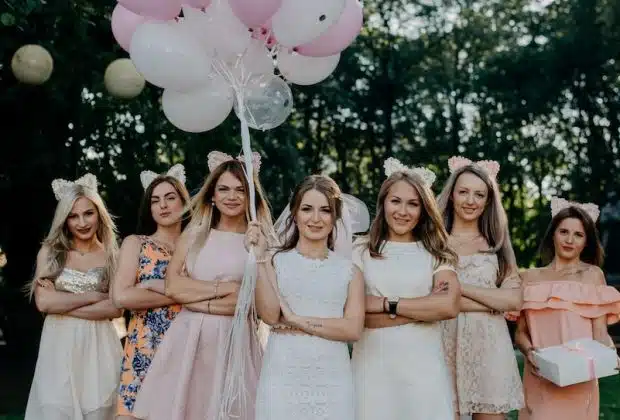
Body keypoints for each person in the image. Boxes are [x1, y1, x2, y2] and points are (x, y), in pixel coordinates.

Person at [132, 152, 273, 420]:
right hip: (189, 339)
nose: (231, 197)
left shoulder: (259, 242)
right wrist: (224, 289)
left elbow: (249, 303)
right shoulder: (195, 234)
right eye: (224, 189)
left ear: (250, 196)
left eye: (240, 190)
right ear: (212, 194)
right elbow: (173, 287)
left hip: (236, 342)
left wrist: (195, 295)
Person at [351, 158, 461, 420]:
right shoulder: (360, 250)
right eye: (395, 201)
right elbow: (351, 310)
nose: (403, 211)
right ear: (383, 203)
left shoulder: (437, 254)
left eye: (413, 204)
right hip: (372, 370)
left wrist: (385, 304)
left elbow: (447, 305)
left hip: (423, 371)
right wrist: (423, 308)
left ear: (424, 210)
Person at [254, 175, 366, 420]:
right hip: (283, 373)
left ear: (335, 216)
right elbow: (271, 316)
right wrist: (260, 257)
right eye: (307, 209)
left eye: (325, 210)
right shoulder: (274, 261)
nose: (315, 219)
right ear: (294, 213)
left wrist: (294, 319)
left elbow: (352, 329)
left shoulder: (350, 272)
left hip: (332, 377)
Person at [25, 174, 123, 420]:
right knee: (55, 409)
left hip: (100, 349)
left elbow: (116, 309)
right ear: (64, 220)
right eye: (73, 216)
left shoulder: (113, 255)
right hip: (58, 348)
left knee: (99, 410)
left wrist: (61, 303)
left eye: (88, 213)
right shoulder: (50, 252)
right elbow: (44, 303)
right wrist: (93, 295)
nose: (82, 222)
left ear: (98, 213)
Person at [515, 197, 620, 420]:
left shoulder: (593, 276)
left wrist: (609, 356)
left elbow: (600, 333)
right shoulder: (529, 278)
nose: (569, 240)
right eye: (564, 232)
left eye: (578, 235)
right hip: (540, 376)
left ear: (586, 241)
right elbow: (521, 333)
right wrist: (530, 353)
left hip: (580, 380)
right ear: (553, 234)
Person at [437, 156, 524, 419]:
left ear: (488, 201)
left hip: (489, 348)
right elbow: (432, 299)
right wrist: (491, 304)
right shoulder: (435, 242)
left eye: (479, 194)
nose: (470, 200)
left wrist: (458, 288)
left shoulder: (497, 245)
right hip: (442, 345)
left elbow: (513, 302)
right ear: (451, 195)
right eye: (463, 192)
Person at [113, 165, 190, 419]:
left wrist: (151, 290)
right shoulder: (136, 243)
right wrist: (184, 293)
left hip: (187, 347)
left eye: (170, 198)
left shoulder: (197, 247)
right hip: (144, 348)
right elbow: (122, 297)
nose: (163, 206)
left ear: (184, 202)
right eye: (156, 200)